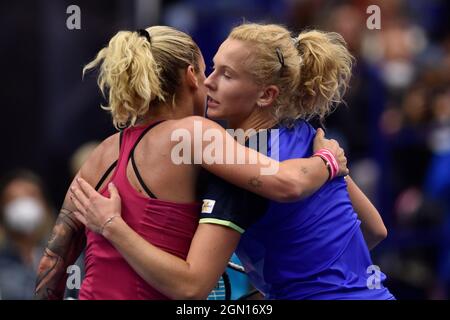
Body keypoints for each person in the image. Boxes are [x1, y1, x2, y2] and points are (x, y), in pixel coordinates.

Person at [70, 23, 393, 300]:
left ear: (265, 95)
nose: (208, 82)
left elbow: (191, 286)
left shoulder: (233, 165)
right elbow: (375, 230)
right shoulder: (313, 141)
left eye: (227, 75)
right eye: (212, 68)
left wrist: (112, 227)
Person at [0, 170, 54, 299]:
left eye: (31, 196)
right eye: (13, 199)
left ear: (45, 205)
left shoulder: (71, 257)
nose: (23, 205)